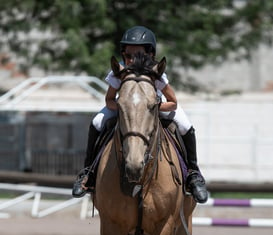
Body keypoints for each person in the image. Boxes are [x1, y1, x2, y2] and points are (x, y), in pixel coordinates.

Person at [72, 26, 208, 204]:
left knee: (185, 126)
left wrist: (152, 107)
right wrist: (125, 108)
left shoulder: (157, 72)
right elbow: (109, 100)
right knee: (97, 122)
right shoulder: (119, 73)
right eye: (128, 56)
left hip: (156, 107)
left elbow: (173, 102)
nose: (132, 60)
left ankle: (193, 173)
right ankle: (88, 173)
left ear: (150, 54)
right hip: (127, 107)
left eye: (138, 55)